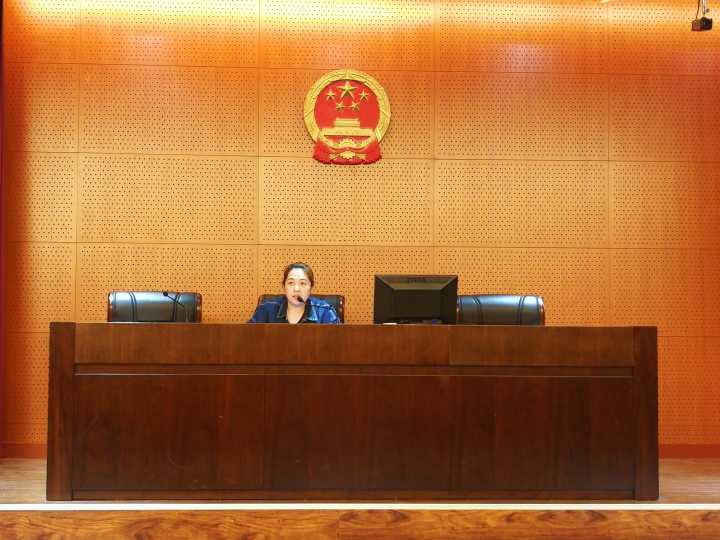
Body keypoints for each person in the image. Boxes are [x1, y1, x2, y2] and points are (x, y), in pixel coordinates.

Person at [249, 262, 340, 324]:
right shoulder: (266, 310)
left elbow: (339, 344)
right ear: (284, 286)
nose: (296, 289)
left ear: (311, 287)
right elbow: (248, 340)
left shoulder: (325, 312)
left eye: (302, 283)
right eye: (291, 283)